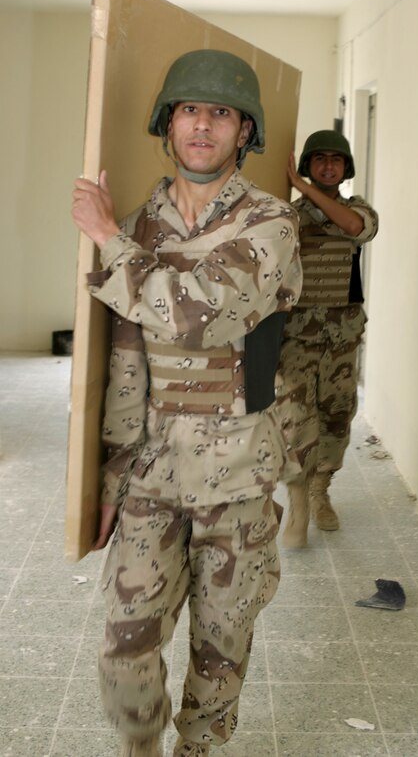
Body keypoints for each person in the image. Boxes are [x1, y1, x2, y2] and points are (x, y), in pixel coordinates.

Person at [71, 49, 302, 757]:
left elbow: (206, 312)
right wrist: (111, 474)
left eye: (221, 113)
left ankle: (198, 748)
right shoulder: (139, 225)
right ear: (167, 125)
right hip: (150, 474)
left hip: (237, 476)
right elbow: (128, 363)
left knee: (221, 643)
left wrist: (107, 242)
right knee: (124, 646)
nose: (202, 125)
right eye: (189, 110)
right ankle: (140, 746)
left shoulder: (271, 224)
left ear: (244, 132)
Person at [276, 129, 378, 548]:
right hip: (297, 337)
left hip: (341, 338)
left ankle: (321, 489)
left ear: (346, 167)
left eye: (336, 159)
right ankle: (298, 502)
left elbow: (355, 227)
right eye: (319, 159)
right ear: (307, 165)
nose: (328, 165)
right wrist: (296, 194)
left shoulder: (358, 210)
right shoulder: (287, 214)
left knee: (337, 416)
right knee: (296, 418)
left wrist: (302, 188)